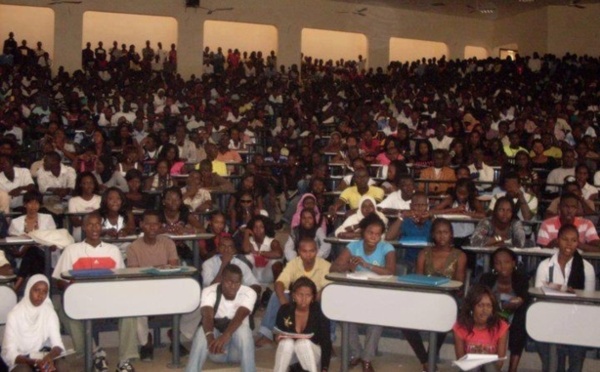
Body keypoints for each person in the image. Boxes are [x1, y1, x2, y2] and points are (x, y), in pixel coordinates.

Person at [52, 213, 138, 372]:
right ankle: (94, 353)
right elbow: (59, 280)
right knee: (65, 310)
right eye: (90, 224)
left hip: (108, 300)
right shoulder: (72, 250)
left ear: (102, 227)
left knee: (129, 311)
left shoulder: (112, 250)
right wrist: (74, 288)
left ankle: (124, 360)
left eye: (97, 224)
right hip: (82, 300)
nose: (94, 228)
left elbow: (121, 279)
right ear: (84, 227)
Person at [330, 214, 396, 371]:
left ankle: (366, 358)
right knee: (344, 315)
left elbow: (391, 272)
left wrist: (367, 265)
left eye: (377, 234)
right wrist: (348, 267)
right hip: (355, 293)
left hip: (377, 294)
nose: (374, 236)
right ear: (363, 232)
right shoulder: (354, 246)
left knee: (377, 319)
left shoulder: (387, 247)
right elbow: (333, 268)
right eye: (370, 232)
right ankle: (357, 353)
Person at [403, 218, 467, 371]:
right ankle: (425, 360)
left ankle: (430, 357)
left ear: (451, 235)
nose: (442, 236)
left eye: (445, 232)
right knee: (405, 321)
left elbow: (459, 284)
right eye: (438, 232)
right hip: (426, 297)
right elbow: (418, 280)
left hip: (449, 299)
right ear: (432, 234)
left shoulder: (460, 255)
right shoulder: (424, 253)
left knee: (446, 315)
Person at [534, 224, 596, 372]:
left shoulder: (587, 268)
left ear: (578, 242)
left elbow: (588, 301)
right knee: (553, 365)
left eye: (574, 240)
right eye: (565, 239)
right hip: (550, 318)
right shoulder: (545, 266)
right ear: (557, 240)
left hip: (576, 320)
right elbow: (538, 298)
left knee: (576, 360)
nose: (569, 244)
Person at [255, 238, 331, 348]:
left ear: (317, 251)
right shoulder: (293, 263)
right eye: (304, 251)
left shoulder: (325, 265)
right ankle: (267, 335)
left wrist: (311, 299)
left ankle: (329, 340)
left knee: (330, 299)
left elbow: (327, 288)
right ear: (299, 252)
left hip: (316, 299)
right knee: (276, 295)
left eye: (312, 251)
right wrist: (284, 304)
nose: (308, 255)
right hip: (297, 298)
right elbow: (280, 282)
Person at [126, 210, 179, 362]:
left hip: (167, 289)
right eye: (148, 223)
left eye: (155, 223)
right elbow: (135, 275)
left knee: (196, 301)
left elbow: (173, 269)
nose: (152, 227)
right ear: (141, 225)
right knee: (135, 304)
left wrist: (152, 269)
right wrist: (161, 268)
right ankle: (146, 342)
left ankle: (175, 333)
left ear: (160, 225)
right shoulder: (133, 247)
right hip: (143, 290)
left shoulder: (168, 243)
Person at [185, 264, 256, 372]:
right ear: (222, 280)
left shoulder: (249, 293)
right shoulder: (209, 291)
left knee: (244, 331)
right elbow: (207, 315)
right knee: (202, 332)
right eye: (229, 282)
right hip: (216, 350)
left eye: (237, 283)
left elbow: (240, 315)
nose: (233, 286)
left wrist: (226, 335)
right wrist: (210, 339)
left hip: (238, 351)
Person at [1, 275, 67, 372]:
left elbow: (57, 345)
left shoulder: (49, 312)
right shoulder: (14, 315)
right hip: (23, 359)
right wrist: (34, 362)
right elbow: (10, 352)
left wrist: (48, 358)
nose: (40, 295)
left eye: (44, 292)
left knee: (62, 366)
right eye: (36, 290)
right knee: (23, 370)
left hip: (44, 355)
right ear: (28, 290)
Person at [479, 248, 529, 372]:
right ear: (493, 265)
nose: (502, 266)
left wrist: (516, 302)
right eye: (498, 263)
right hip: (491, 313)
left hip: (515, 314)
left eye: (506, 262)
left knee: (521, 321)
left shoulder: (521, 279)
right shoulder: (486, 278)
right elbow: (479, 299)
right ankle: (487, 364)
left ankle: (512, 368)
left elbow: (524, 299)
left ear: (513, 263)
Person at [273, 277, 332, 372]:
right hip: (291, 354)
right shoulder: (285, 310)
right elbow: (276, 333)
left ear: (313, 297)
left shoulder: (319, 313)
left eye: (308, 295)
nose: (304, 299)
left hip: (312, 354)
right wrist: (277, 337)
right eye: (300, 295)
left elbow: (326, 343)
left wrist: (324, 368)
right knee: (286, 343)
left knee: (302, 343)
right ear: (293, 295)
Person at [452, 284, 509, 372]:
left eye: (489, 306)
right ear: (472, 307)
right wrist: (474, 356)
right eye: (480, 305)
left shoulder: (500, 326)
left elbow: (499, 364)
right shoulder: (460, 326)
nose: (485, 310)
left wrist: (486, 357)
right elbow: (460, 359)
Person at [8, 190, 56, 292]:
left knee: (33, 249)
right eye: (30, 202)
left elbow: (52, 241)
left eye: (36, 203)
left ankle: (16, 286)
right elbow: (13, 245)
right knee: (33, 256)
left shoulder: (48, 219)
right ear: (25, 204)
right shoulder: (15, 222)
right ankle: (37, 289)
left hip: (45, 255)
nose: (33, 206)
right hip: (24, 258)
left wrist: (28, 245)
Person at [386, 192, 432, 268]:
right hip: (407, 262)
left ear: (427, 206)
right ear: (411, 206)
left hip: (428, 262)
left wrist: (432, 217)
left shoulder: (431, 223)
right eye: (417, 205)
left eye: (423, 205)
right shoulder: (405, 222)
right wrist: (402, 217)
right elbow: (388, 237)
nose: (420, 208)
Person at [241, 214, 283, 283]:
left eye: (261, 227)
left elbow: (278, 254)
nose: (258, 230)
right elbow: (246, 250)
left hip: (267, 273)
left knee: (276, 262)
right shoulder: (249, 241)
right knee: (246, 257)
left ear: (266, 228)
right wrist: (246, 233)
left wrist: (260, 253)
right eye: (255, 227)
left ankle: (277, 287)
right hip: (252, 274)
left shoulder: (272, 241)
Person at [68, 171, 102, 241]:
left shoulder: (100, 199)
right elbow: (75, 222)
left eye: (91, 183)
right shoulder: (73, 201)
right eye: (85, 183)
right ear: (80, 185)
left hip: (98, 230)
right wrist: (91, 222)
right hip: (80, 231)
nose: (89, 186)